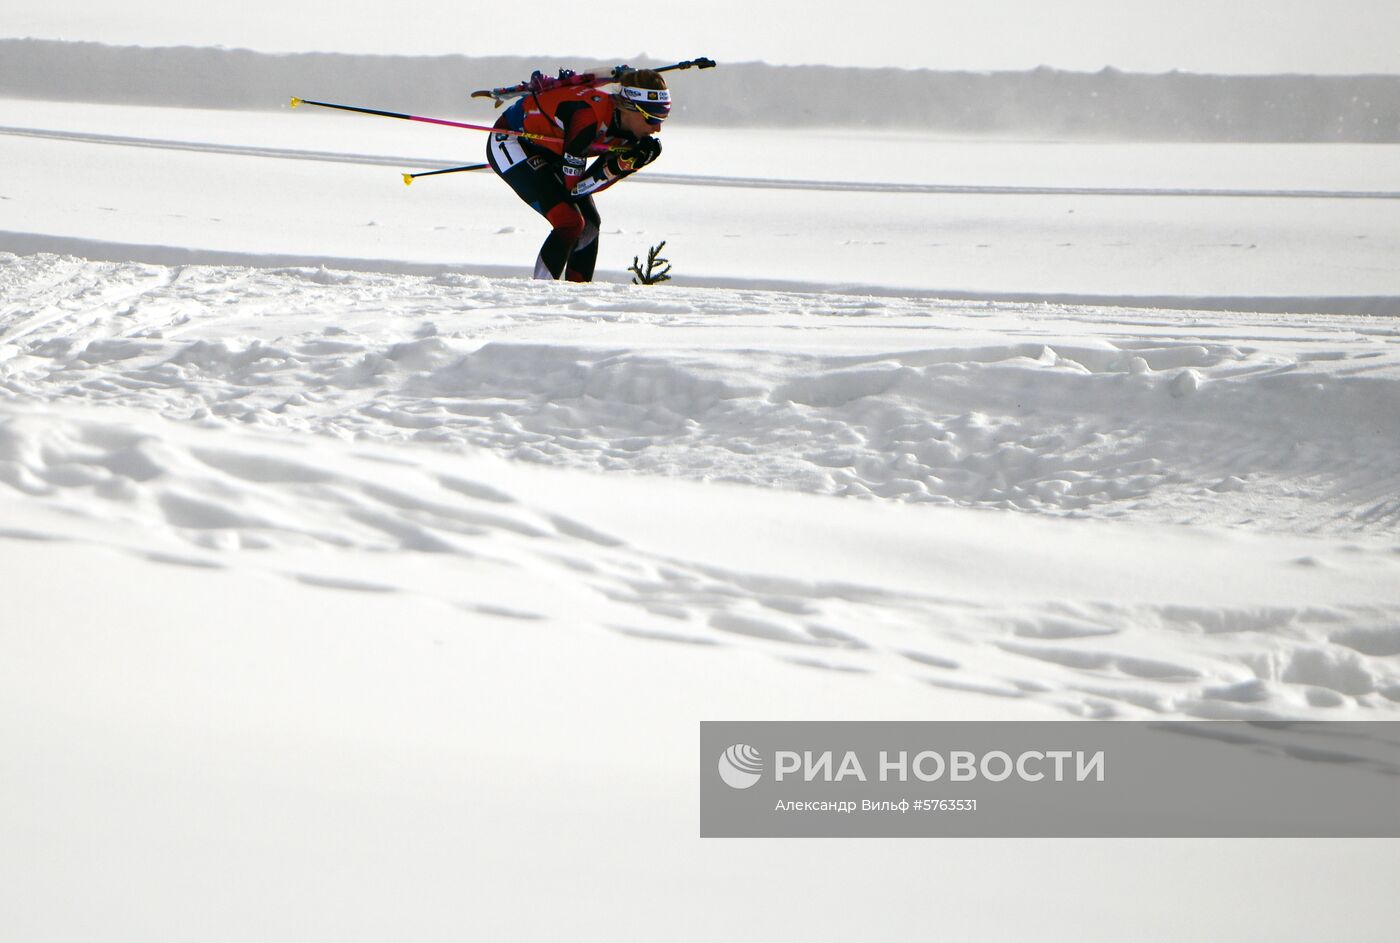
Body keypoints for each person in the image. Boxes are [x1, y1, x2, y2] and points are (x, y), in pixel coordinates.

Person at [486, 69, 669, 282]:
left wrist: (625, 166)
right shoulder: (587, 117)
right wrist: (620, 167)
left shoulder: (629, 131)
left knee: (590, 224)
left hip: (551, 150)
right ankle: (540, 294)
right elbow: (574, 188)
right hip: (511, 141)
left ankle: (577, 295)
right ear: (629, 107)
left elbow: (589, 180)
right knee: (570, 221)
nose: (657, 128)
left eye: (663, 118)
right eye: (652, 118)